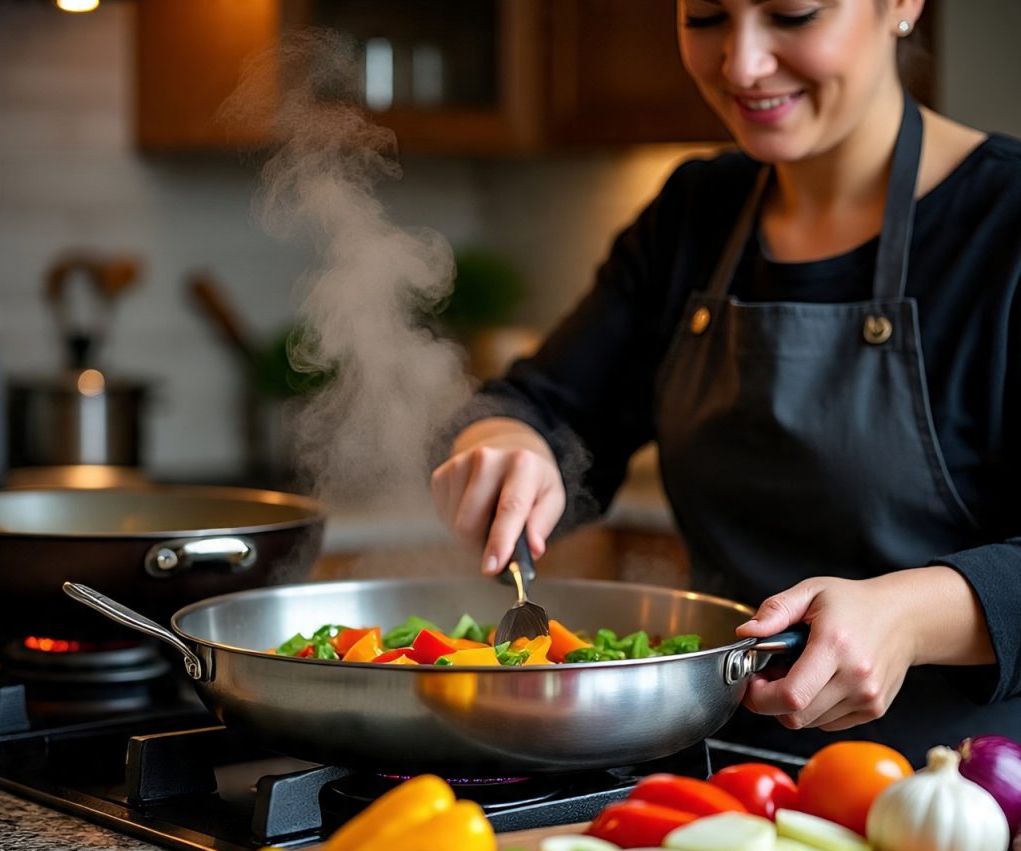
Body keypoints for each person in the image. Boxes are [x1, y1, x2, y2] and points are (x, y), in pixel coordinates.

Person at [430, 0, 1021, 766]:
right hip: (708, 771)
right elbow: (543, 406)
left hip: (960, 798)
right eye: (705, 16)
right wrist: (506, 443)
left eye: (793, 14)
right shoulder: (694, 213)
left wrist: (909, 614)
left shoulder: (1005, 223)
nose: (741, 64)